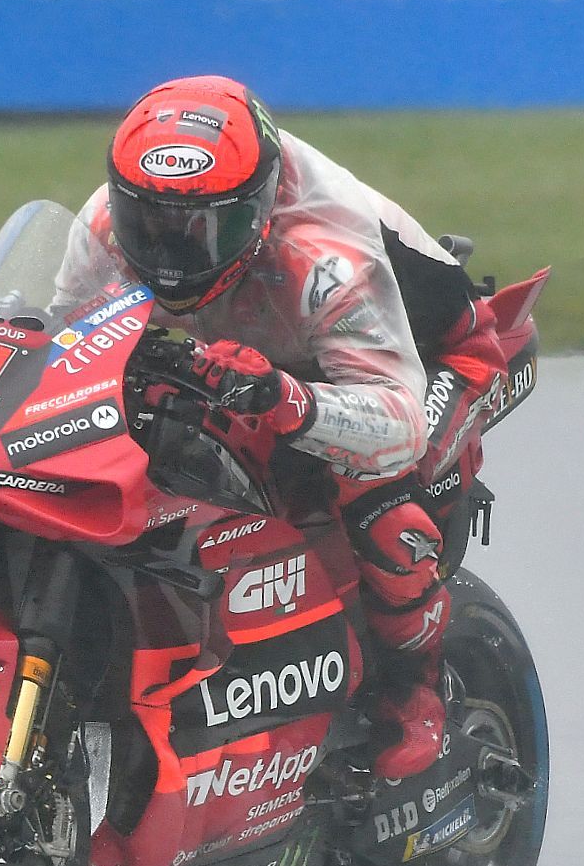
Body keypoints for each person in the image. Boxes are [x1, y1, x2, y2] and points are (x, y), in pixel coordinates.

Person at [83, 75, 508, 779]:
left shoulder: (323, 257)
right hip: (253, 359)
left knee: (377, 495)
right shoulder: (104, 223)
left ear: (257, 211)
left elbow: (397, 421)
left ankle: (418, 694)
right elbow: (52, 334)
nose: (168, 252)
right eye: (149, 224)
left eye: (199, 232)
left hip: (425, 361)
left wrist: (286, 399)